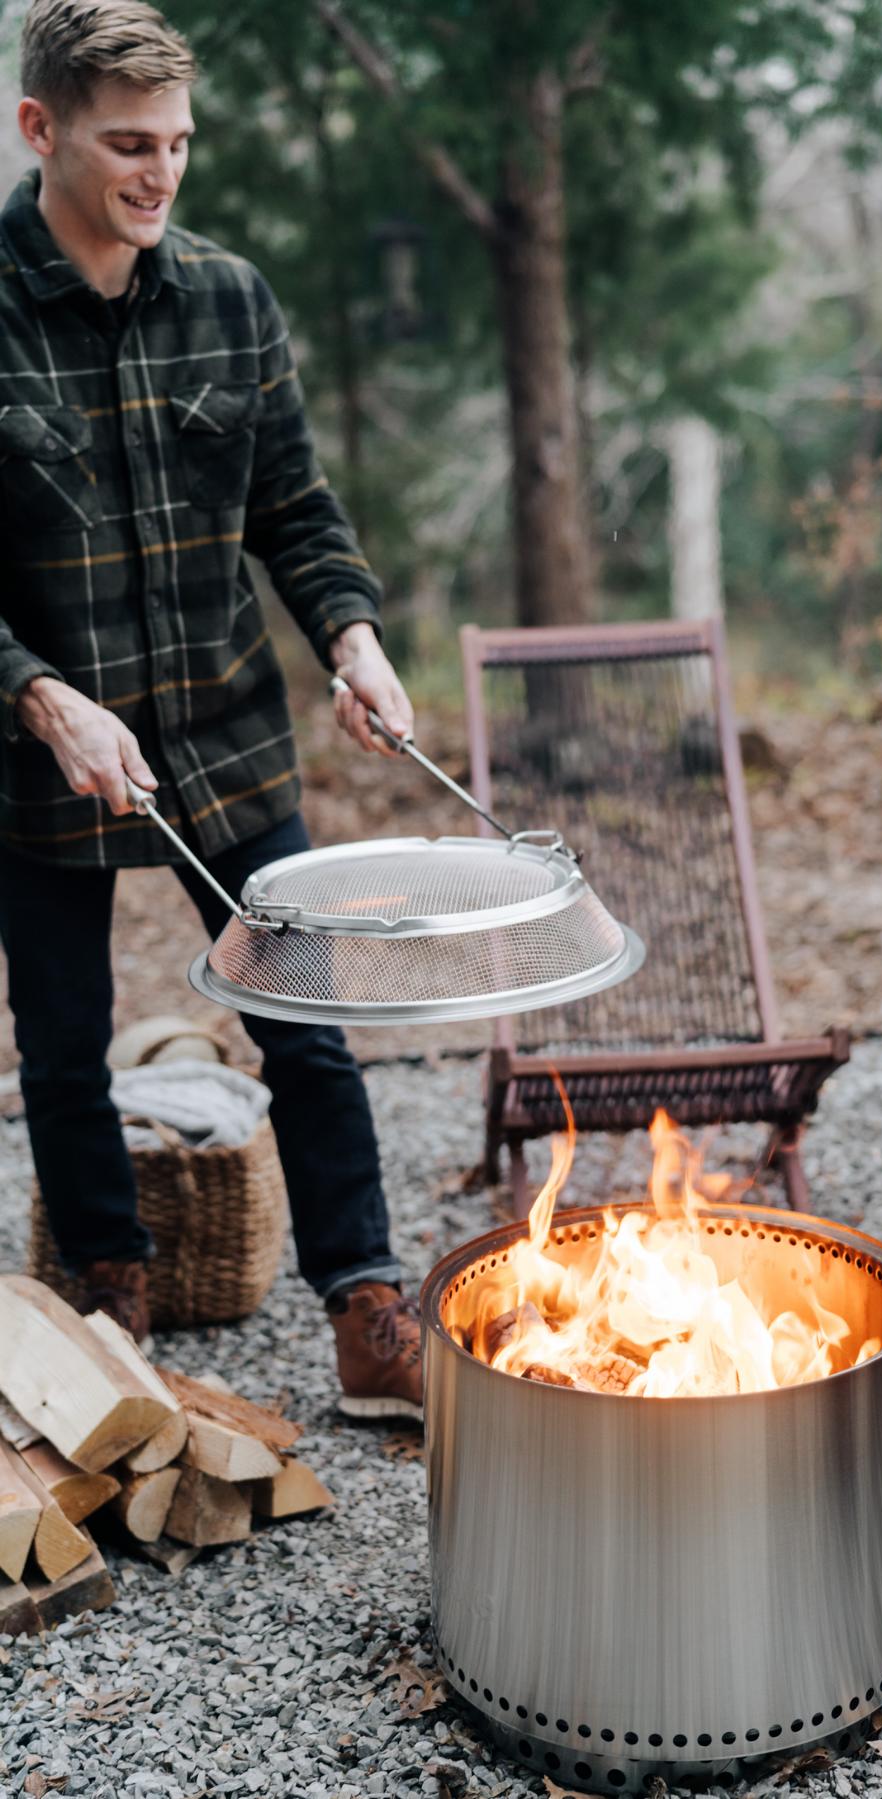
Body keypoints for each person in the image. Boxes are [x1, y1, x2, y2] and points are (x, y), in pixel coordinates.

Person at [0, 0, 422, 1419]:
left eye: (178, 143)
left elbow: (295, 507)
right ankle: (108, 1305)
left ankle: (366, 1307)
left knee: (305, 1023)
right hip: (40, 758)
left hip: (230, 739)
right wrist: (42, 696)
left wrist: (355, 638)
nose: (160, 172)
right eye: (129, 143)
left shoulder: (232, 299)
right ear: (38, 127)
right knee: (63, 1043)